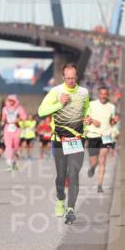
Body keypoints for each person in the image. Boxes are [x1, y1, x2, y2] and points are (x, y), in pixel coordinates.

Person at [37, 64, 91, 224]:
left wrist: (86, 124)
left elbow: (86, 110)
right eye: (68, 78)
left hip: (77, 140)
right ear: (63, 77)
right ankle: (61, 199)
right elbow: (41, 112)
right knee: (61, 176)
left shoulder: (84, 93)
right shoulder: (56, 92)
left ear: (77, 76)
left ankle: (71, 209)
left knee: (73, 175)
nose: (70, 81)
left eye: (73, 78)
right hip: (59, 140)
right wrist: (59, 104)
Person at [85, 86, 118, 194]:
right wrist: (93, 121)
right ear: (98, 94)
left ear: (107, 95)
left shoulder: (112, 107)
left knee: (102, 159)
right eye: (101, 93)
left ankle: (100, 185)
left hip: (106, 135)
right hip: (93, 135)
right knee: (94, 161)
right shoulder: (91, 105)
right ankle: (93, 167)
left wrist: (114, 121)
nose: (103, 96)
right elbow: (85, 118)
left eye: (105, 94)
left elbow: (111, 122)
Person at [0, 94, 26, 172]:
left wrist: (19, 119)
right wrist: (2, 122)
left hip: (16, 129)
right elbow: (3, 118)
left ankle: (15, 162)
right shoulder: (4, 109)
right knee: (8, 147)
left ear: (15, 100)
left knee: (15, 147)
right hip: (7, 129)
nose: (11, 102)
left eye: (12, 100)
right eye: (9, 100)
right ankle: (9, 164)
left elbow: (24, 117)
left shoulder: (19, 108)